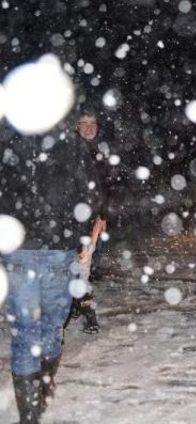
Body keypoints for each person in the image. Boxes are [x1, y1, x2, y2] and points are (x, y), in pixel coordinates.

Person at [0, 113, 104, 423]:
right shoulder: (71, 145)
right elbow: (90, 195)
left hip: (18, 248)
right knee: (51, 323)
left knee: (25, 330)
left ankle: (30, 412)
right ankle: (42, 388)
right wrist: (83, 239)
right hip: (58, 246)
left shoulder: (8, 143)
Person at [67, 109, 112, 334]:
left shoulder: (98, 151)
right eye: (83, 123)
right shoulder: (70, 150)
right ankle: (83, 309)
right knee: (77, 265)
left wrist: (102, 215)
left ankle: (78, 304)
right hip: (72, 221)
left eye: (92, 123)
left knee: (85, 265)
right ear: (76, 126)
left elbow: (103, 188)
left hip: (92, 220)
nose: (89, 127)